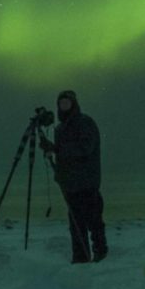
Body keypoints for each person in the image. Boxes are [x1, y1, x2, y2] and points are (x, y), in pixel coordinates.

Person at [39, 88, 106, 263]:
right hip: (69, 183)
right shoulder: (60, 128)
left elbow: (85, 148)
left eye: (67, 103)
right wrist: (52, 149)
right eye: (61, 103)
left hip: (87, 181)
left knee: (93, 221)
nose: (64, 106)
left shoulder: (85, 123)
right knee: (76, 225)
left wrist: (58, 149)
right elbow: (64, 153)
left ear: (74, 104)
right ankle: (80, 257)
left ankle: (101, 252)